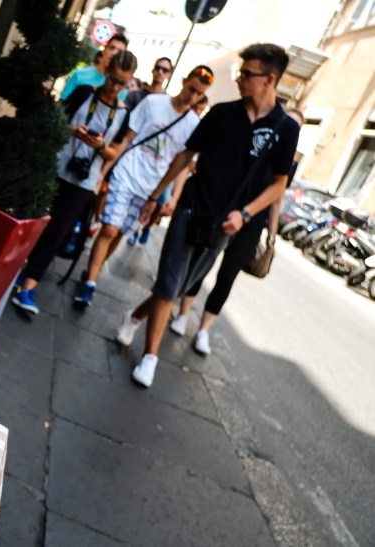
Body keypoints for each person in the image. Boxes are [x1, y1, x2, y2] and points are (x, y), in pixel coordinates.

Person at [115, 43, 301, 388]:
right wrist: (157, 197)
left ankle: (134, 316)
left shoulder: (285, 129)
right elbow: (186, 157)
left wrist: (245, 215)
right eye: (240, 72)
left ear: (269, 79)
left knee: (180, 286)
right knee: (170, 283)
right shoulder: (221, 113)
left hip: (226, 224)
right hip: (191, 206)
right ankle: (150, 357)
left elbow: (278, 186)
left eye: (247, 74)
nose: (240, 79)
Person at [72, 65, 213, 308]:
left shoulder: (193, 125)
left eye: (199, 94)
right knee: (109, 229)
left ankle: (90, 273)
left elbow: (181, 165)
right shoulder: (154, 103)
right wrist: (104, 173)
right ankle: (90, 285)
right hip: (127, 172)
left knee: (121, 231)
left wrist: (168, 196)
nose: (192, 96)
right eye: (191, 89)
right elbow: (126, 139)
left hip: (150, 186)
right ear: (183, 81)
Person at [11, 50, 137, 315]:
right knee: (34, 221)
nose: (115, 87)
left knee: (57, 231)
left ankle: (29, 284)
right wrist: (73, 131)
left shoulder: (124, 114)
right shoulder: (83, 93)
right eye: (113, 79)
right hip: (56, 167)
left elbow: (114, 152)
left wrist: (101, 146)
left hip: (85, 181)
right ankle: (14, 270)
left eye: (122, 83)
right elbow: (55, 121)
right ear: (106, 72)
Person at [169, 108, 304, 354]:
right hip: (225, 211)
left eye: (296, 127)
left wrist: (271, 235)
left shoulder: (287, 162)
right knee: (200, 263)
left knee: (227, 276)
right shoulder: (254, 138)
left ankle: (203, 330)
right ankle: (182, 314)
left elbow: (277, 197)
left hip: (251, 223)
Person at [128, 94, 209, 246]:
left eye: (201, 109)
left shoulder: (195, 126)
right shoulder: (176, 117)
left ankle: (145, 227)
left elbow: (186, 165)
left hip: (170, 176)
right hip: (152, 169)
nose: (197, 111)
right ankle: (136, 229)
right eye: (196, 107)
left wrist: (175, 196)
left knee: (160, 204)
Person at [60, 34, 129, 101]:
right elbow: (62, 106)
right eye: (111, 48)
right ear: (104, 50)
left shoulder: (121, 90)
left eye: (119, 52)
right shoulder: (79, 75)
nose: (114, 53)